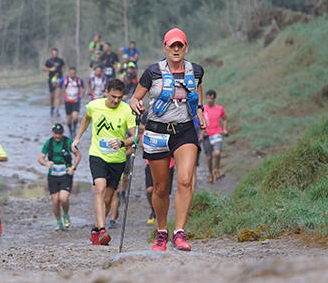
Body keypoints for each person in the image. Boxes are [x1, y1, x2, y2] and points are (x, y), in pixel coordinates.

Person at [129, 27, 203, 252]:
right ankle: (162, 231)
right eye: (173, 45)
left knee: (185, 179)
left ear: (186, 47)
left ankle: (179, 232)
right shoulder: (152, 72)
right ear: (165, 48)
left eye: (180, 45)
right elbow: (134, 98)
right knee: (161, 188)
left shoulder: (196, 70)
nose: (177, 49)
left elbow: (198, 91)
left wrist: (199, 110)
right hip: (157, 132)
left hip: (184, 131)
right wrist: (135, 105)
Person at [72, 78, 136, 246]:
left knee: (108, 199)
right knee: (99, 189)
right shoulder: (94, 105)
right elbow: (85, 119)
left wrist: (123, 143)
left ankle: (96, 229)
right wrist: (77, 138)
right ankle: (102, 230)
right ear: (106, 92)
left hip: (117, 159)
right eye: (113, 96)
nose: (115, 101)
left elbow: (135, 136)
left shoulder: (127, 110)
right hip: (97, 155)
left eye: (119, 98)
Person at [37, 123, 80, 231]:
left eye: (60, 133)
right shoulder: (49, 143)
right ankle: (58, 222)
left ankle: (65, 215)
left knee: (63, 198)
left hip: (65, 173)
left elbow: (78, 155)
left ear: (63, 133)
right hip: (53, 175)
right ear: (52, 133)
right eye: (56, 133)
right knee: (55, 200)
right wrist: (46, 164)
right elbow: (40, 158)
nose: (57, 136)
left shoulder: (68, 142)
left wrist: (73, 168)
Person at [201, 89, 229, 183]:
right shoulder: (202, 109)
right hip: (206, 136)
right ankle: (210, 173)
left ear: (214, 99)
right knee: (209, 157)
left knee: (217, 153)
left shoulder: (219, 109)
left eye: (211, 98)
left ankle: (216, 169)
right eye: (208, 98)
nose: (209, 100)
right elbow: (199, 122)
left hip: (217, 134)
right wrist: (200, 133)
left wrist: (225, 129)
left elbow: (225, 119)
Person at [59, 66, 85, 138]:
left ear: (75, 73)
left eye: (74, 73)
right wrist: (55, 78)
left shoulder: (79, 80)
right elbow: (56, 84)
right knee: (69, 120)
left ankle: (74, 130)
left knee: (75, 117)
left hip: (76, 101)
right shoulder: (65, 80)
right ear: (69, 73)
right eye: (71, 73)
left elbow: (83, 87)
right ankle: (70, 131)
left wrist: (82, 94)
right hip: (68, 101)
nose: (72, 74)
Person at [42, 48, 65, 117]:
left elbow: (63, 67)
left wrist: (62, 70)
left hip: (59, 79)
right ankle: (52, 107)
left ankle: (57, 110)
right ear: (51, 54)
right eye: (53, 53)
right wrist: (50, 69)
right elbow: (44, 68)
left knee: (58, 95)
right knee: (52, 95)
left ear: (57, 53)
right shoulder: (49, 61)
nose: (55, 54)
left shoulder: (60, 60)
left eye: (56, 53)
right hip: (51, 80)